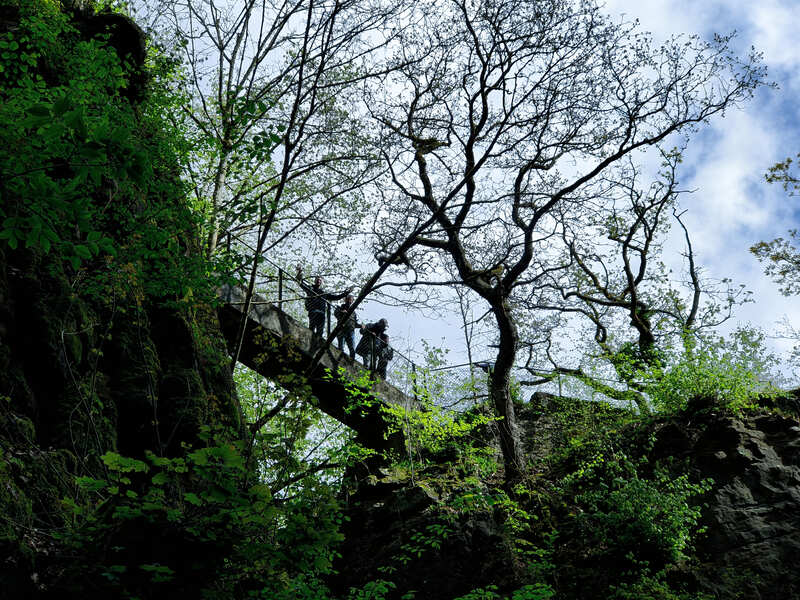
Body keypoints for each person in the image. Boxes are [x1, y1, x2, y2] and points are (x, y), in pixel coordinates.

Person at [296, 266, 350, 337]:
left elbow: (336, 297)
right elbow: (300, 283)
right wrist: (299, 273)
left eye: (320, 280)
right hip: (313, 312)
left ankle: (317, 345)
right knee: (311, 329)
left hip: (321, 314)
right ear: (315, 281)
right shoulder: (310, 289)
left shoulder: (324, 293)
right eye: (317, 280)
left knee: (320, 332)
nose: (319, 281)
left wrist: (345, 293)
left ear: (321, 282)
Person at [334, 294, 359, 359]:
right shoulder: (340, 307)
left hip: (351, 331)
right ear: (345, 300)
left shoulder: (353, 313)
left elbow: (355, 324)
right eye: (348, 299)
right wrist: (342, 312)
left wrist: (361, 326)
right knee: (341, 347)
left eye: (351, 300)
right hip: (342, 330)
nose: (349, 301)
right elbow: (336, 314)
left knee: (352, 349)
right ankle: (338, 360)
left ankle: (351, 361)